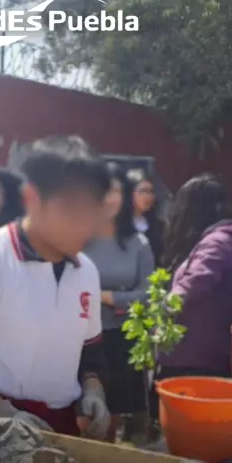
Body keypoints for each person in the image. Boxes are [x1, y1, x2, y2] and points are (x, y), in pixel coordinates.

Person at [0, 135, 111, 438]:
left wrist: (93, 391)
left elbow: (91, 355)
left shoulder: (86, 272)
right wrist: (4, 413)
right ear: (31, 198)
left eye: (91, 212)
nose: (85, 226)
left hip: (59, 428)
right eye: (71, 210)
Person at [156, 174, 232, 382]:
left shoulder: (216, 242)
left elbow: (195, 281)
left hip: (195, 357)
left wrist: (161, 310)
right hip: (200, 353)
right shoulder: (220, 239)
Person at [82, 164, 155, 440]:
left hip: (121, 337)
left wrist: (106, 297)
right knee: (78, 412)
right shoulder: (77, 238)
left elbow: (147, 296)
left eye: (117, 191)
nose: (111, 198)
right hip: (78, 337)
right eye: (104, 191)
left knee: (110, 417)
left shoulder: (138, 243)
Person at [126, 167, 165, 261]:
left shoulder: (160, 226)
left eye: (150, 192)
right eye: (142, 191)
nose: (148, 196)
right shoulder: (120, 224)